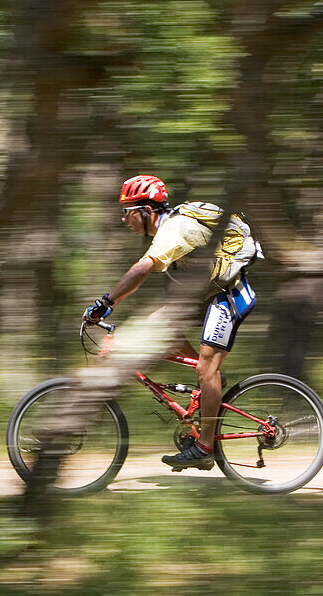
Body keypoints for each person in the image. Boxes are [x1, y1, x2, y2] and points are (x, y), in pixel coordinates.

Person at [82, 174, 258, 469]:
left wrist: (107, 302)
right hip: (209, 294)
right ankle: (212, 383)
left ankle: (204, 447)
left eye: (127, 212)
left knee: (206, 367)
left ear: (146, 211)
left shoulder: (172, 229)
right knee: (157, 330)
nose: (124, 219)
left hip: (230, 295)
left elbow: (142, 269)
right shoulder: (167, 227)